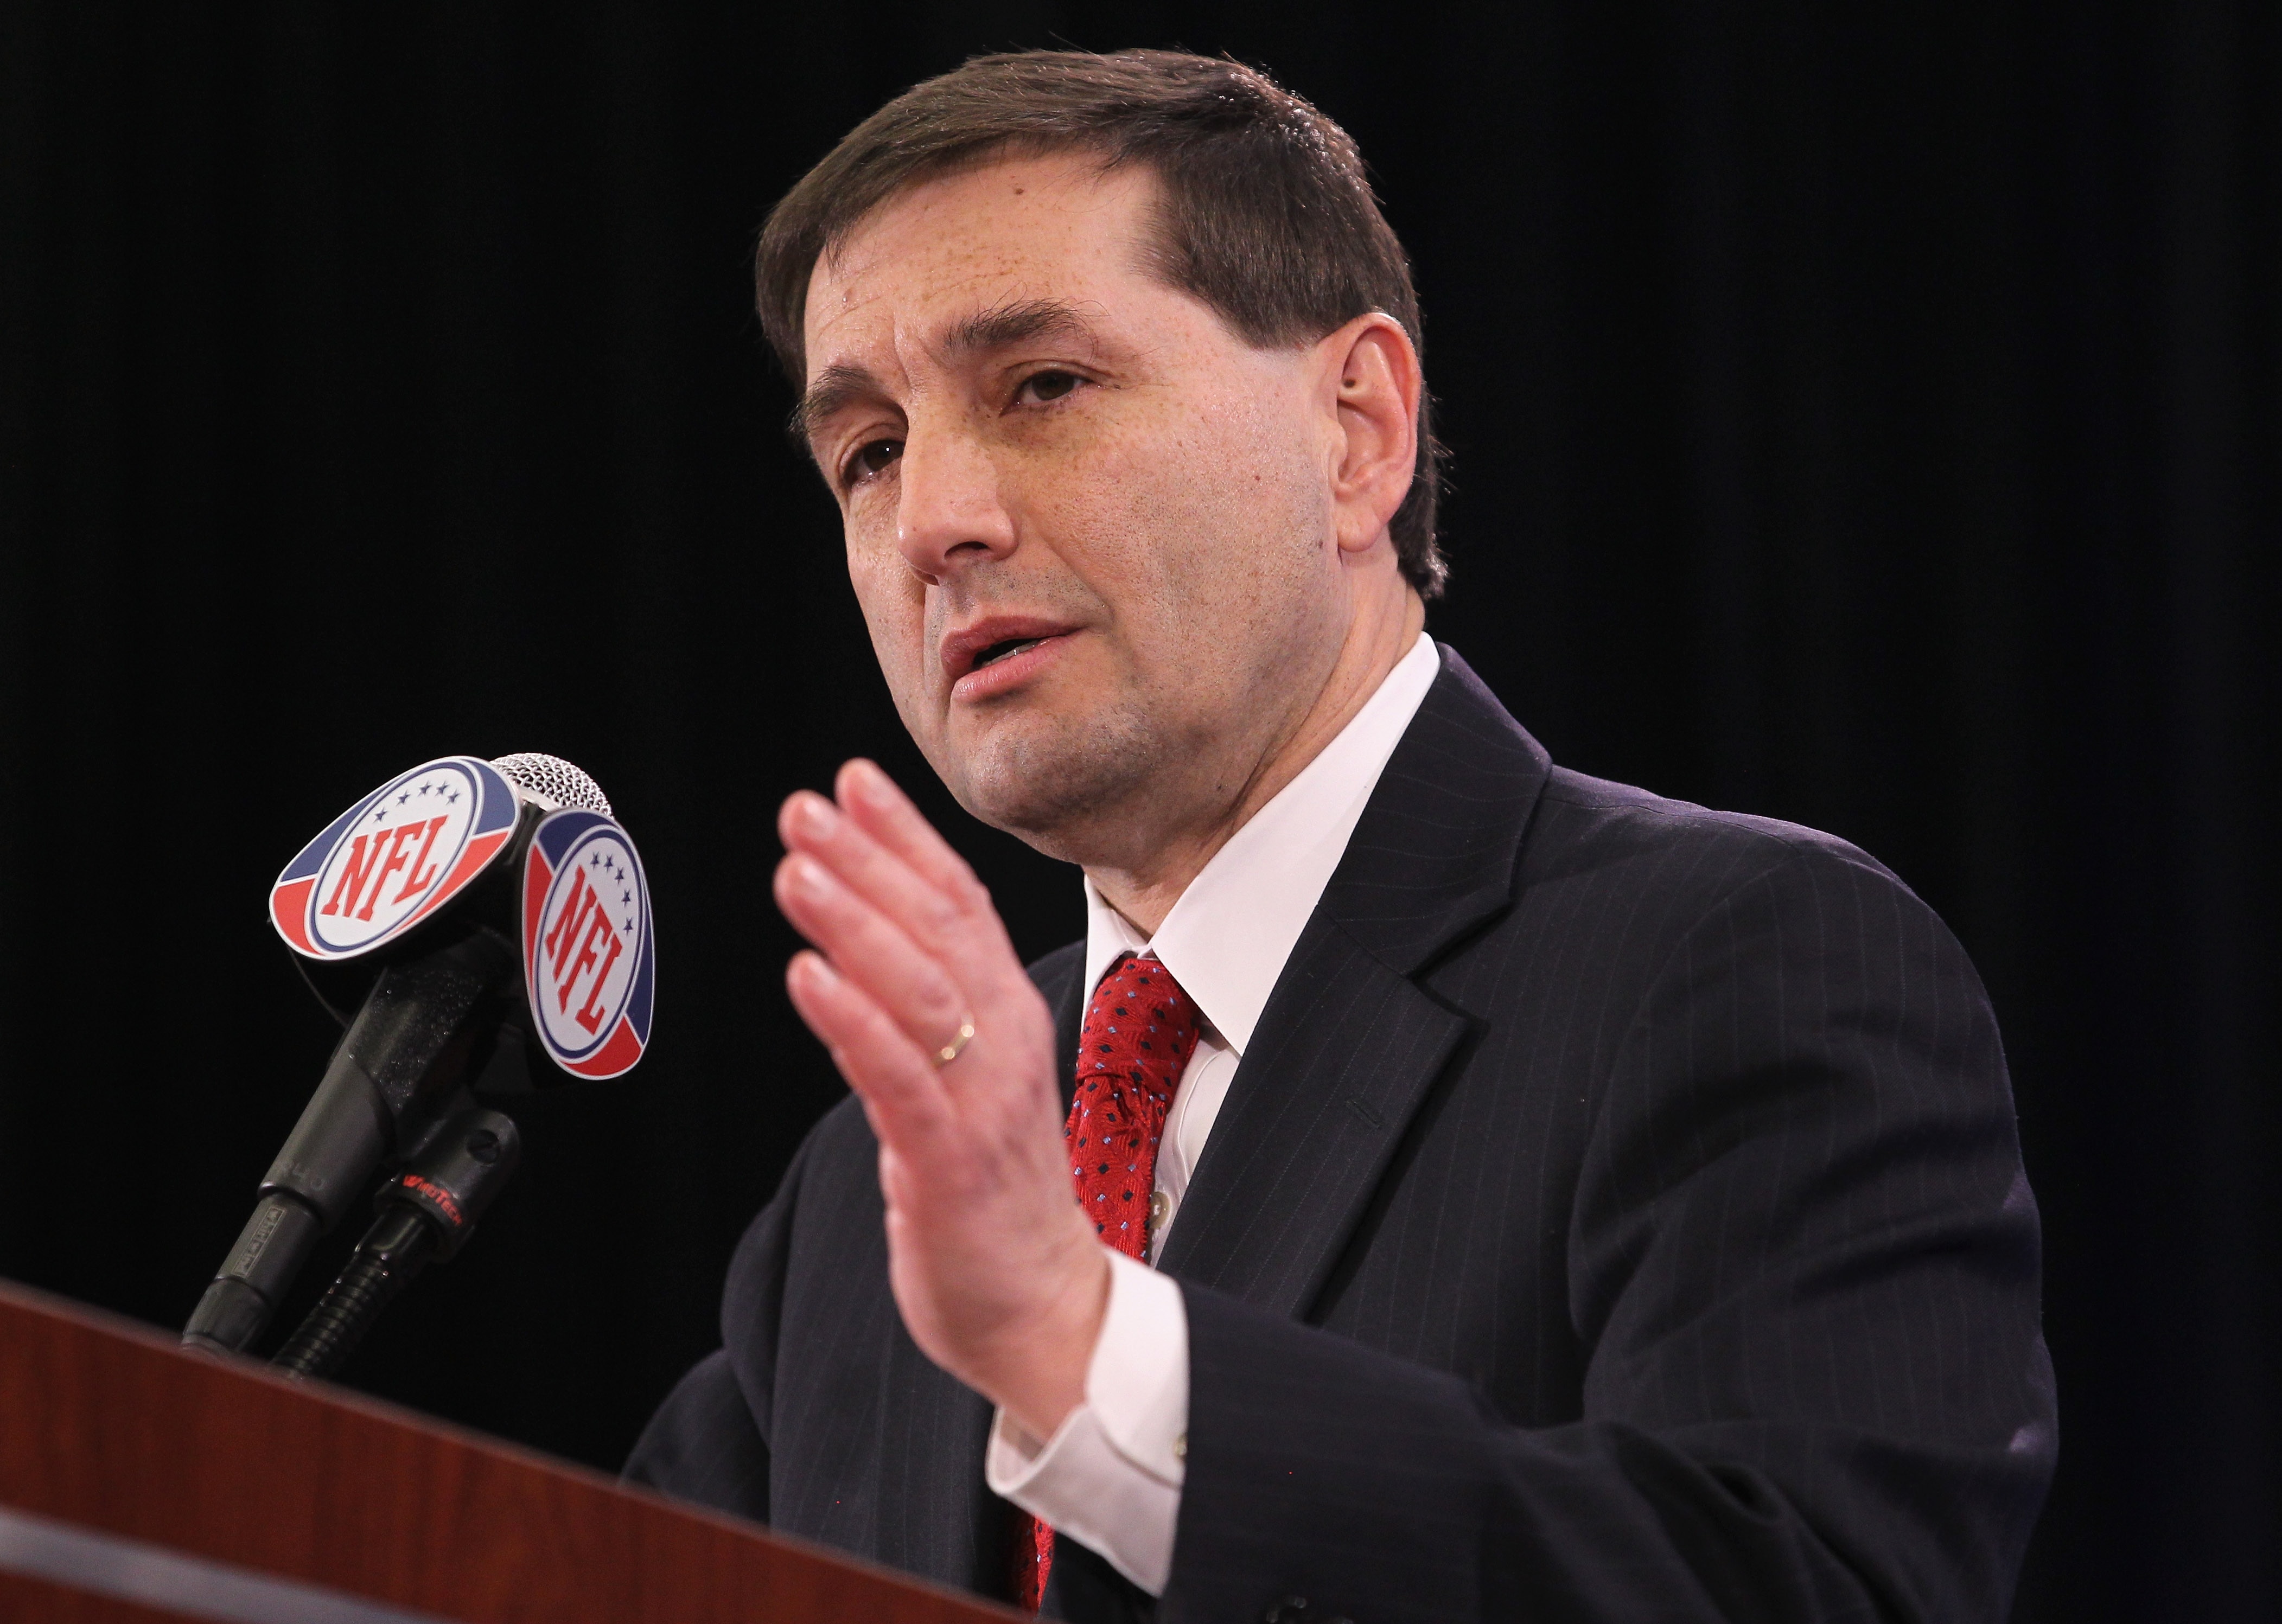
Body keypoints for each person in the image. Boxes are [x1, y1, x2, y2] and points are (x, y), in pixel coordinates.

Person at [625, 48, 2056, 1623]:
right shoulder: (871, 1193)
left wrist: (1082, 1345)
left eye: (1042, 386)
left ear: (1357, 431)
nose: (930, 523)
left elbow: (1794, 1591)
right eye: (872, 450)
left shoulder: (1740, 969)